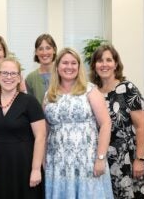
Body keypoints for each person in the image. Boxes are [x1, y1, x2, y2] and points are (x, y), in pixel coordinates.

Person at [43, 48, 114, 199]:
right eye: (65, 63)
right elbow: (45, 131)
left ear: (79, 66)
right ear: (57, 67)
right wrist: (42, 160)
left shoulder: (90, 90)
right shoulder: (49, 94)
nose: (69, 67)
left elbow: (106, 124)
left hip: (87, 162)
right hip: (58, 163)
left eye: (73, 63)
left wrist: (100, 158)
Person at [89, 44, 144, 198]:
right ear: (94, 65)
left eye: (108, 60)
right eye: (99, 61)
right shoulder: (92, 92)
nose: (104, 64)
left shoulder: (128, 89)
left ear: (116, 64)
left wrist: (139, 159)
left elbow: (141, 127)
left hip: (127, 159)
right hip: (102, 159)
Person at [0, 57, 46, 199]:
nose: (8, 77)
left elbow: (40, 136)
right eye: (4, 73)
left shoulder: (30, 102)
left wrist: (36, 169)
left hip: (25, 164)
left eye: (13, 74)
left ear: (19, 78)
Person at [26, 34, 57, 104]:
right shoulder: (30, 78)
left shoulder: (62, 75)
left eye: (48, 48)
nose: (44, 52)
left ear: (54, 50)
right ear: (36, 52)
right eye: (40, 49)